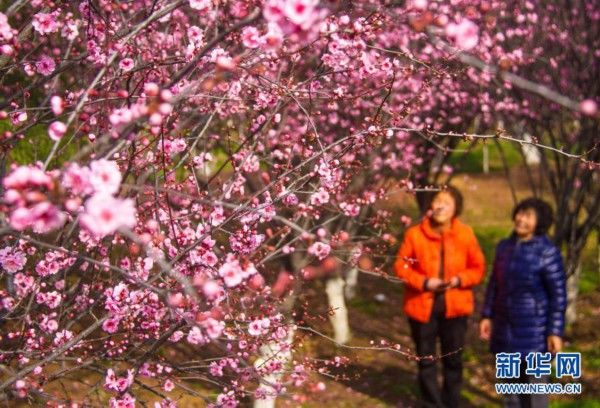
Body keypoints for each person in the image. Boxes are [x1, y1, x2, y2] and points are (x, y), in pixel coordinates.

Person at [395, 186, 485, 408]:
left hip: (455, 307)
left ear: (456, 208)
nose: (441, 206)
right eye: (437, 200)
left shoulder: (465, 234)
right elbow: (401, 267)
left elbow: (478, 268)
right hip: (421, 306)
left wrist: (458, 280)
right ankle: (431, 403)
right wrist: (425, 282)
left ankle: (452, 402)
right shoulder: (414, 234)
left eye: (447, 202)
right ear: (430, 206)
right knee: (426, 360)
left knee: (453, 359)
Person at [479, 198, 567, 408]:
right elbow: (494, 284)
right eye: (520, 213)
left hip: (534, 337)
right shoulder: (504, 248)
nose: (520, 219)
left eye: (528, 216)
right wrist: (486, 315)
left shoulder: (547, 253)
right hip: (504, 332)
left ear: (540, 222)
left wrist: (554, 332)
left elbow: (558, 296)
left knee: (535, 395)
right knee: (511, 393)